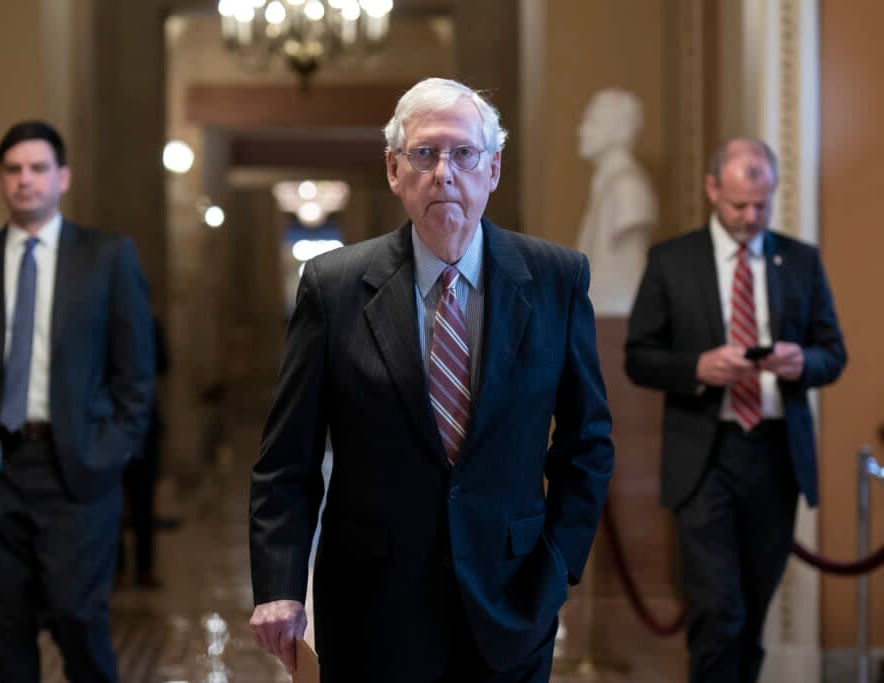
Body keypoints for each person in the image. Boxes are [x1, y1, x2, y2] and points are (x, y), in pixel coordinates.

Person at [249, 77, 614, 683]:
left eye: (464, 154)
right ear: (394, 170)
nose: (444, 172)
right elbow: (288, 457)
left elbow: (587, 444)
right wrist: (280, 586)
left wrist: (557, 566)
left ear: (492, 169)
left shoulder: (555, 279)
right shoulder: (334, 286)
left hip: (512, 598)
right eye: (424, 154)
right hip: (371, 606)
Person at [624, 137, 847, 683]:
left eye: (761, 205)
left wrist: (803, 362)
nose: (750, 217)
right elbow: (639, 358)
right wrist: (697, 368)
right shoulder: (671, 261)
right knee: (717, 611)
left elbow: (833, 353)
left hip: (775, 454)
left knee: (751, 613)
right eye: (738, 205)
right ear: (712, 189)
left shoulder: (799, 260)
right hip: (706, 454)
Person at [0, 120, 155, 683]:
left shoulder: (107, 258)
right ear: (0, 179)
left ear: (62, 178)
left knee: (78, 620)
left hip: (76, 470)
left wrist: (110, 450)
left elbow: (135, 372)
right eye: (13, 170)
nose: (25, 181)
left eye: (38, 169)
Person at [575, 89, 657, 316]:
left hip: (615, 315)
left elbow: (628, 273)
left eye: (592, 123)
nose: (581, 131)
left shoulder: (627, 188)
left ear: (618, 131)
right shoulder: (609, 184)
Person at [117, 316, 169, 589]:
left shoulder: (148, 324)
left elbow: (163, 363)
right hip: (110, 422)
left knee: (143, 502)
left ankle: (144, 568)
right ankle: (117, 568)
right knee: (112, 500)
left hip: (144, 424)